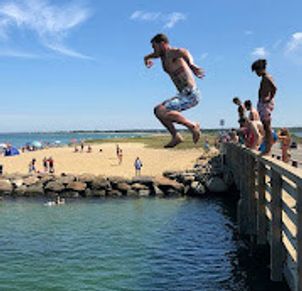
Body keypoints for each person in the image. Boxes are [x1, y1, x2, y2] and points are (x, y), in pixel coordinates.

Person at [144, 33, 204, 148]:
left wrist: (191, 64)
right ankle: (176, 136)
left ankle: (192, 126)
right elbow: (154, 55)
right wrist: (146, 58)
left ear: (162, 44)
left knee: (161, 111)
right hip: (182, 94)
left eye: (154, 46)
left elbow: (184, 51)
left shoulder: (171, 52)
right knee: (158, 110)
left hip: (191, 93)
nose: (153, 50)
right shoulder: (162, 55)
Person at [251, 59, 277, 154]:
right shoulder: (264, 78)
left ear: (261, 69)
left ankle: (268, 148)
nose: (256, 73)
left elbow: (274, 88)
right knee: (265, 125)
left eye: (257, 71)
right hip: (263, 102)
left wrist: (269, 98)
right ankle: (267, 147)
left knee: (267, 126)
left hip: (266, 103)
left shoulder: (267, 77)